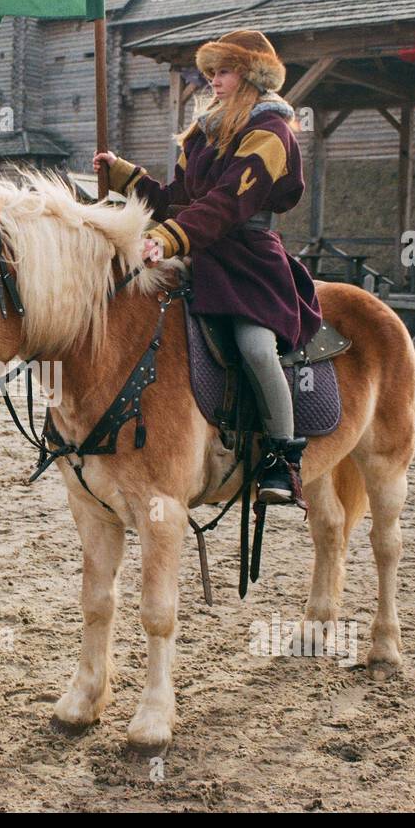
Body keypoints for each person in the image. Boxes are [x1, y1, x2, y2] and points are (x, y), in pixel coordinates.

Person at [94, 29, 322, 505]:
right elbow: (177, 202)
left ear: (251, 76)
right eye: (212, 72)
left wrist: (168, 238)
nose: (214, 81)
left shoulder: (271, 133)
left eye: (224, 71)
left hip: (249, 262)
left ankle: (283, 460)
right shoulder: (202, 134)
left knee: (255, 347)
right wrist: (125, 175)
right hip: (197, 253)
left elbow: (224, 205)